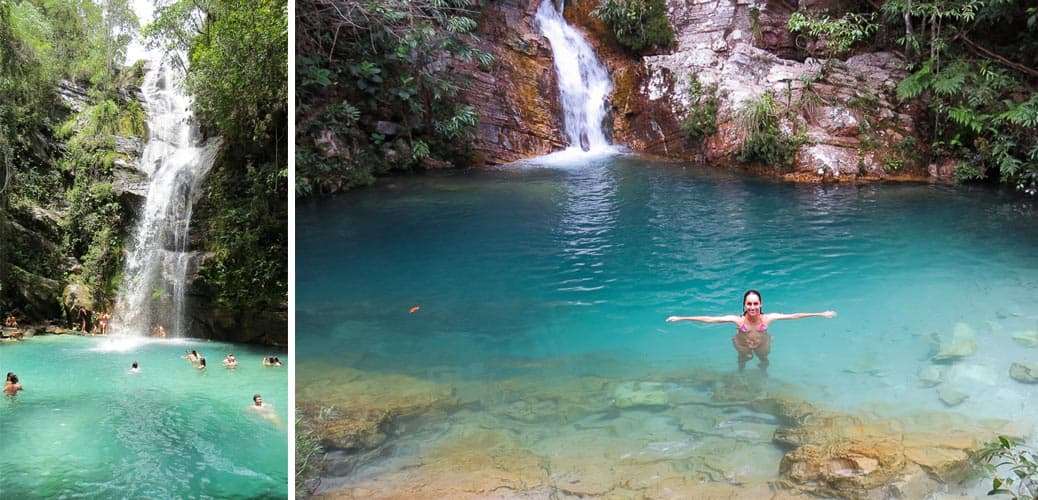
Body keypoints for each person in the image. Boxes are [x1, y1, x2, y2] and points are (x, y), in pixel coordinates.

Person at [667, 289, 836, 374]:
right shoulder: (738, 320)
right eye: (749, 304)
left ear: (761, 304)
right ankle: (741, 373)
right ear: (744, 306)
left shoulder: (768, 318)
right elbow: (710, 319)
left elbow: (794, 316)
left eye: (755, 304)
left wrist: (820, 314)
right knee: (744, 358)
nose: (752, 307)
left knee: (764, 359)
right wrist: (681, 317)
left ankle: (763, 374)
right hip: (743, 344)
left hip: (762, 343)